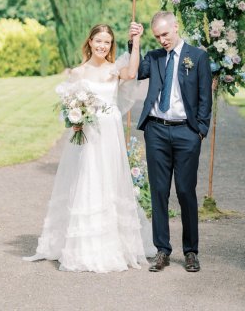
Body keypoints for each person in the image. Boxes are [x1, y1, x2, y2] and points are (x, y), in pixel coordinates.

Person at [24, 23, 155, 272]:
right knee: (87, 181)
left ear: (111, 46)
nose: (102, 46)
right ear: (90, 41)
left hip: (110, 135)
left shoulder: (114, 70)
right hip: (89, 136)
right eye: (99, 41)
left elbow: (132, 73)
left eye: (107, 42)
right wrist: (74, 121)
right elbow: (69, 106)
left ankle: (114, 243)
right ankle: (84, 246)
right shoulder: (78, 72)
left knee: (110, 181)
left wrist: (136, 42)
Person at [131, 11, 212, 273]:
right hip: (156, 130)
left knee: (186, 192)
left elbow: (204, 98)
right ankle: (162, 250)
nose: (162, 40)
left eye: (165, 34)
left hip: (186, 133)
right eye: (157, 36)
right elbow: (136, 71)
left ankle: (191, 251)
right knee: (159, 192)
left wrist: (199, 131)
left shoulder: (197, 57)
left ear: (176, 27)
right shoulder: (153, 57)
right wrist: (135, 41)